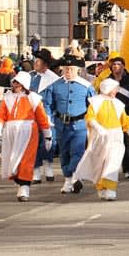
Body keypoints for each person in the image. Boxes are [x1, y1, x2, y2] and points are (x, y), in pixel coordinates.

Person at [0, 71, 52, 201]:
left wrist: (47, 135)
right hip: (11, 132)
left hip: (28, 131)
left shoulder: (34, 99)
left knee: (26, 159)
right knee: (13, 159)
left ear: (25, 84)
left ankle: (24, 187)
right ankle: (19, 180)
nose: (16, 85)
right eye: (14, 82)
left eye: (19, 83)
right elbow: (1, 114)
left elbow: (42, 118)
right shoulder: (8, 98)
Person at [73, 78, 129, 201]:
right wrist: (98, 128)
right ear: (108, 89)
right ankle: (101, 187)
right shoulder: (95, 102)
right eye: (114, 89)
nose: (116, 91)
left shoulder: (118, 104)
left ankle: (111, 189)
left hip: (116, 137)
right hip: (99, 138)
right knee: (99, 165)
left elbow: (126, 122)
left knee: (113, 162)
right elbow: (90, 118)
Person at [47, 54, 95, 194]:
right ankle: (69, 179)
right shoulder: (55, 86)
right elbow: (50, 105)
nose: (68, 72)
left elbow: (93, 106)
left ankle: (73, 175)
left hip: (79, 124)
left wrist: (93, 124)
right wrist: (49, 120)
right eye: (66, 69)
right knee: (64, 153)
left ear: (77, 70)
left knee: (77, 151)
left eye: (71, 69)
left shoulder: (86, 86)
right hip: (61, 124)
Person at [95, 57, 129, 179]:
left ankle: (128, 169)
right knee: (110, 144)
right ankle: (111, 168)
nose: (116, 66)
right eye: (114, 64)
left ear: (123, 66)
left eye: (119, 64)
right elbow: (100, 97)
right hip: (109, 119)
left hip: (126, 117)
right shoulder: (107, 81)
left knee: (127, 144)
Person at [30, 49, 60, 183]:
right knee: (34, 143)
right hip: (32, 115)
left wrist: (54, 114)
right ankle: (36, 171)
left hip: (48, 115)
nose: (35, 63)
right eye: (35, 60)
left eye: (38, 60)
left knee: (49, 143)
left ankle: (48, 167)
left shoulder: (54, 79)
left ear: (45, 63)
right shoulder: (31, 77)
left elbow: (57, 99)